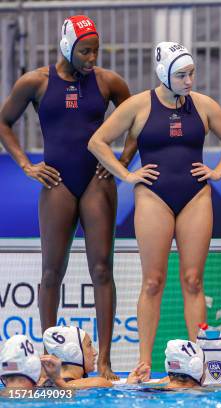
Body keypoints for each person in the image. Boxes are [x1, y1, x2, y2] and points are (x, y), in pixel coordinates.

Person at [88, 41, 221, 372]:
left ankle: (199, 361)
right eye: (183, 75)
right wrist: (127, 174)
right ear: (164, 74)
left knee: (193, 280)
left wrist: (218, 171)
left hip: (196, 197)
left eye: (192, 74)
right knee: (153, 281)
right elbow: (97, 142)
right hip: (152, 197)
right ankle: (144, 362)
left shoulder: (202, 105)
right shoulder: (138, 106)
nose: (190, 81)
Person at [0, 15, 133, 380]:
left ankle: (103, 362)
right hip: (57, 181)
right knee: (50, 272)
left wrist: (121, 162)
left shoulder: (107, 82)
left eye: (96, 51)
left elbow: (137, 119)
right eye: (85, 51)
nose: (92, 58)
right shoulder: (36, 82)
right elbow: (3, 122)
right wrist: (27, 165)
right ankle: (48, 360)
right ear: (66, 46)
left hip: (96, 181)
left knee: (102, 270)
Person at [39, 325, 112, 388]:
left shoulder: (41, 384)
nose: (95, 352)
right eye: (89, 345)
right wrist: (59, 382)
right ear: (73, 352)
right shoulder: (99, 383)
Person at [127, 340, 204, 389]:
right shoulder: (202, 394)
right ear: (197, 367)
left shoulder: (149, 391)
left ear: (168, 366)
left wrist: (129, 385)